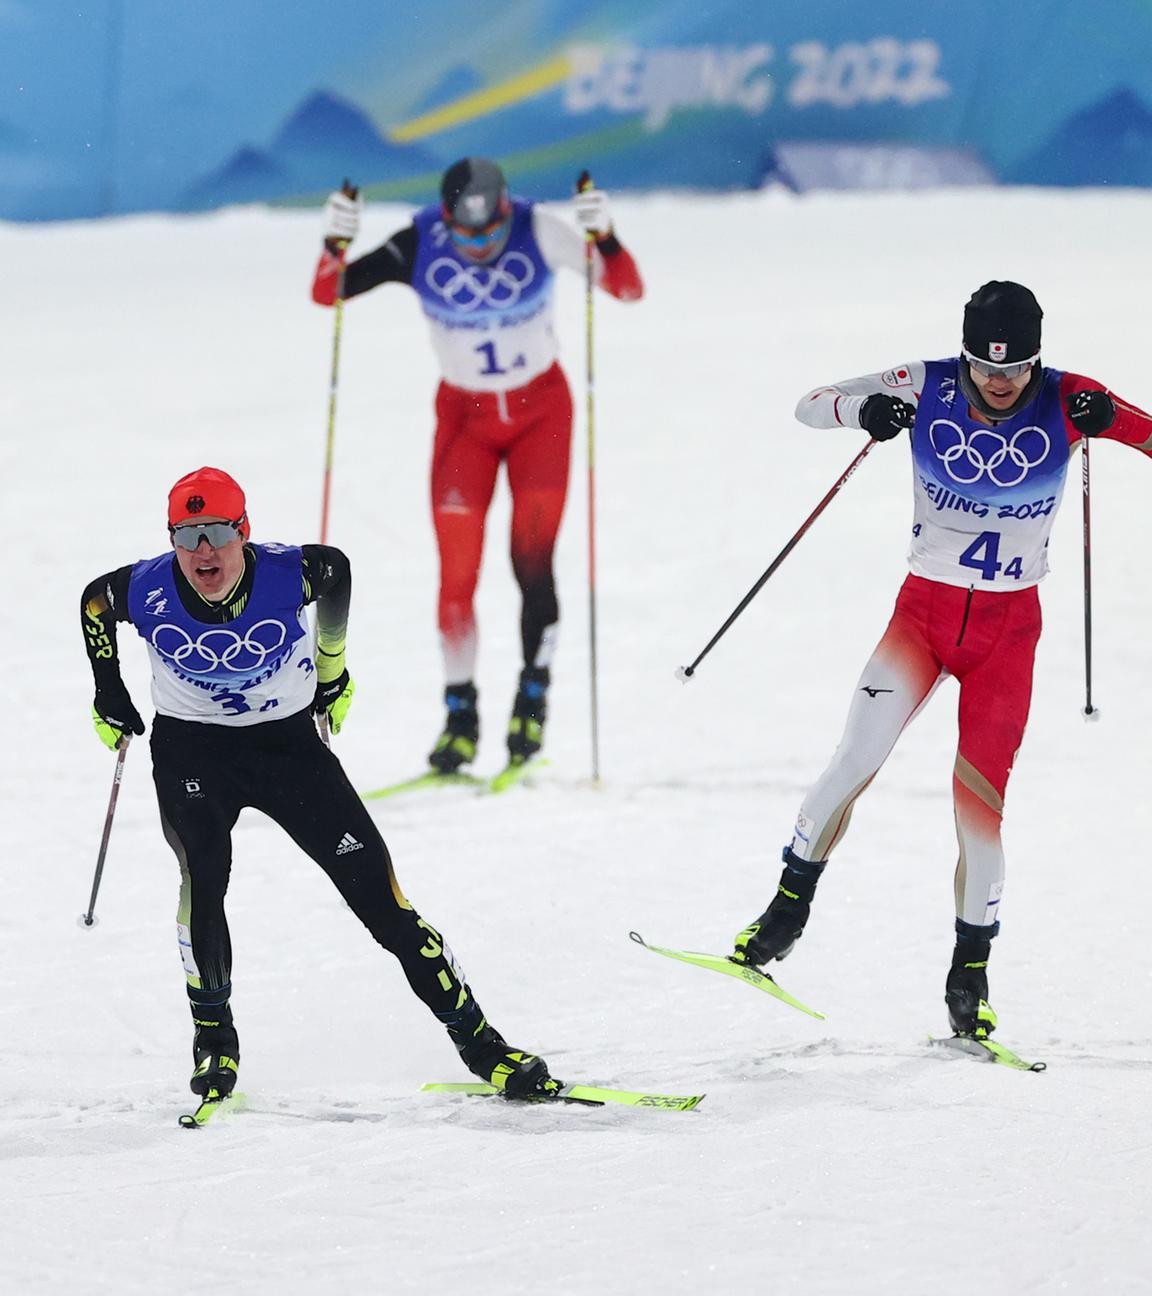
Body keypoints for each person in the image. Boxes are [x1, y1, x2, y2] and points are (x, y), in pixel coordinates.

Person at [729, 282, 1152, 1039]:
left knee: (980, 812)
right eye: (986, 367)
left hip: (1007, 635)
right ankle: (785, 912)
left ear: (1038, 359)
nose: (999, 382)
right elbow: (808, 402)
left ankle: (969, 975)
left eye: (1017, 368)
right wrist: (863, 412)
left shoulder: (1068, 397)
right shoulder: (923, 385)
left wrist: (1114, 420)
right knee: (852, 759)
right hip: (920, 621)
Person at [80, 466, 557, 1104]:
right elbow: (93, 602)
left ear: (243, 533)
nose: (202, 552)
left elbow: (337, 572)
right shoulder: (147, 589)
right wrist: (107, 691)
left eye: (217, 532)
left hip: (288, 747)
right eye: (186, 535)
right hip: (193, 750)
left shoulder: (289, 572)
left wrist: (331, 669)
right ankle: (215, 1038)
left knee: (381, 902)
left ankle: (481, 1043)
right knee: (204, 876)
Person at [311, 158, 643, 774]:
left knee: (532, 559)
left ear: (505, 211)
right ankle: (460, 714)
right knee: (456, 576)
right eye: (467, 240)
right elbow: (328, 291)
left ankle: (532, 697)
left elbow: (626, 288)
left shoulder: (539, 229)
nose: (482, 249)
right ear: (445, 222)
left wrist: (606, 236)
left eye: (490, 236)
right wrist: (335, 242)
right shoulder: (419, 241)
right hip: (464, 421)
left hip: (540, 413)